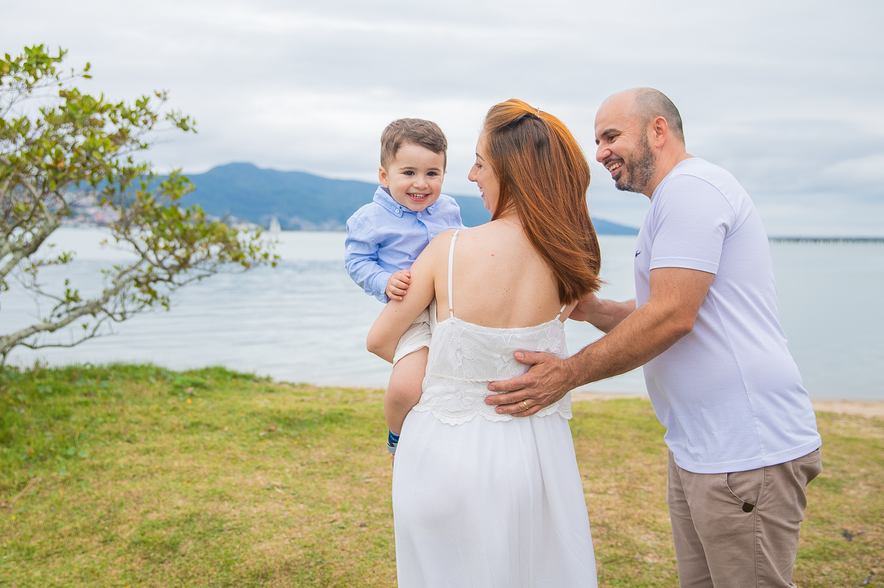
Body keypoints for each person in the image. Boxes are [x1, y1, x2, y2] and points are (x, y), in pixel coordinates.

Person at [486, 88, 822, 588]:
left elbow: (671, 316)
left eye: (611, 136)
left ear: (658, 130)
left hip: (744, 448)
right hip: (699, 447)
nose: (601, 152)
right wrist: (594, 309)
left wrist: (567, 374)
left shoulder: (692, 190)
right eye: (597, 141)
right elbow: (661, 309)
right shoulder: (672, 198)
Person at [367, 100, 600, 588]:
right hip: (539, 459)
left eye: (479, 163)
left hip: (444, 453)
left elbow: (380, 339)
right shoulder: (572, 258)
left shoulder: (448, 249)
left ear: (511, 172)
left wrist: (436, 355)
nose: (471, 176)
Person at [345, 118, 464, 456]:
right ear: (384, 176)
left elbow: (460, 244)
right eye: (409, 172)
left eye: (432, 173)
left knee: (452, 374)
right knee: (405, 387)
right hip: (410, 312)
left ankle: (446, 431)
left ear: (443, 174)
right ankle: (397, 436)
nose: (421, 184)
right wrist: (384, 281)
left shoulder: (448, 208)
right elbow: (357, 261)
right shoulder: (369, 218)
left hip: (451, 305)